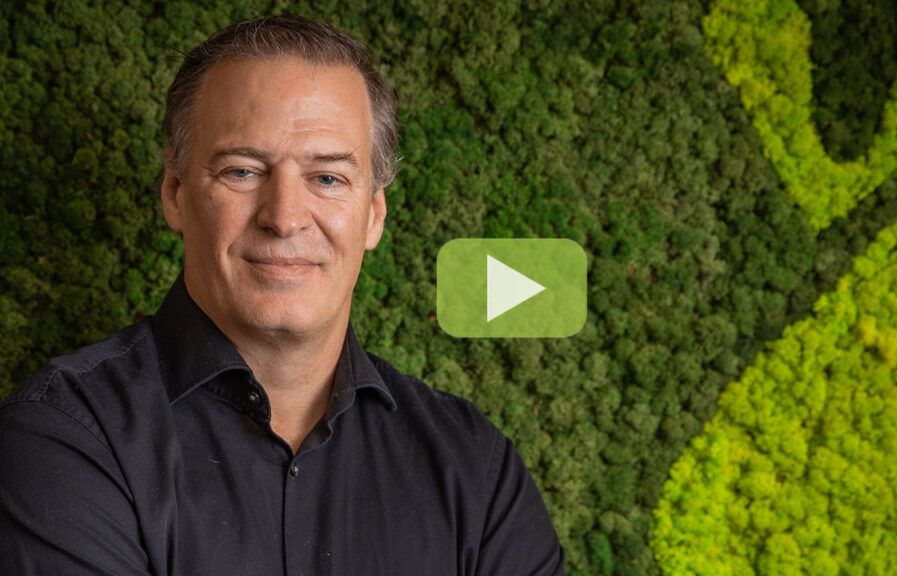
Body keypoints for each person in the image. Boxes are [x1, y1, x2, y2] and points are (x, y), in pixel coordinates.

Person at [0, 14, 564, 575]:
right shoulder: (64, 437)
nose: (285, 217)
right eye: (243, 172)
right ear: (175, 194)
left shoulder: (476, 468)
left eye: (328, 178)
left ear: (373, 215)